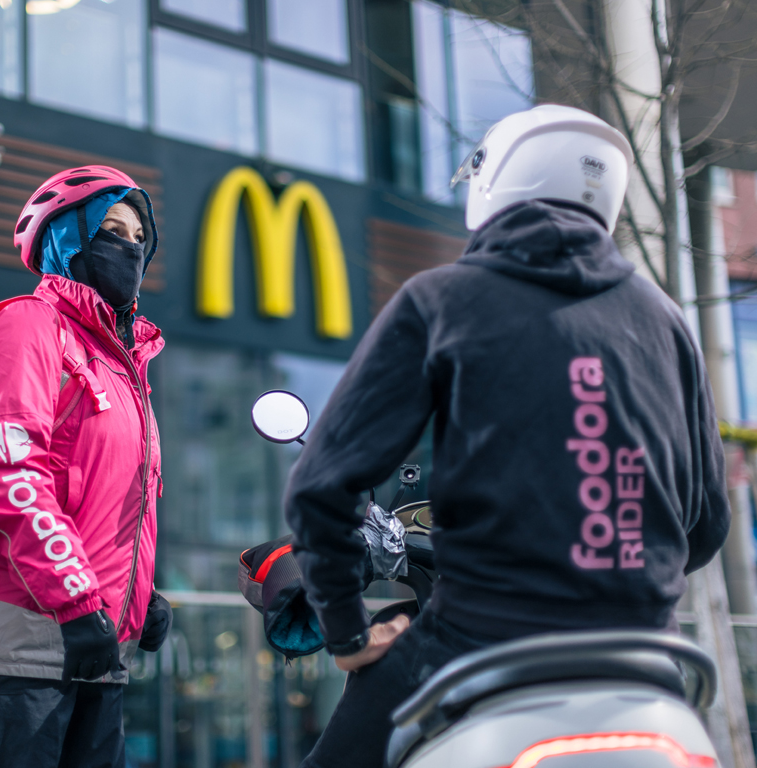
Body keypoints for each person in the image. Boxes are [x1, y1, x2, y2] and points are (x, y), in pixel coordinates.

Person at [283, 105, 731, 768]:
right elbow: (707, 523)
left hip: (479, 640)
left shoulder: (440, 299)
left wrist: (348, 633)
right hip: (648, 657)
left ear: (499, 181)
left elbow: (321, 488)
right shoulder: (664, 318)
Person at [0, 166, 172, 768]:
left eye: (138, 236)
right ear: (65, 240)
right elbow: (8, 473)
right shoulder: (29, 326)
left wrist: (140, 595)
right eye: (110, 229)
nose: (130, 246)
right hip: (22, 646)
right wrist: (76, 601)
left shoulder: (124, 366)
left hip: (96, 648)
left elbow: (109, 496)